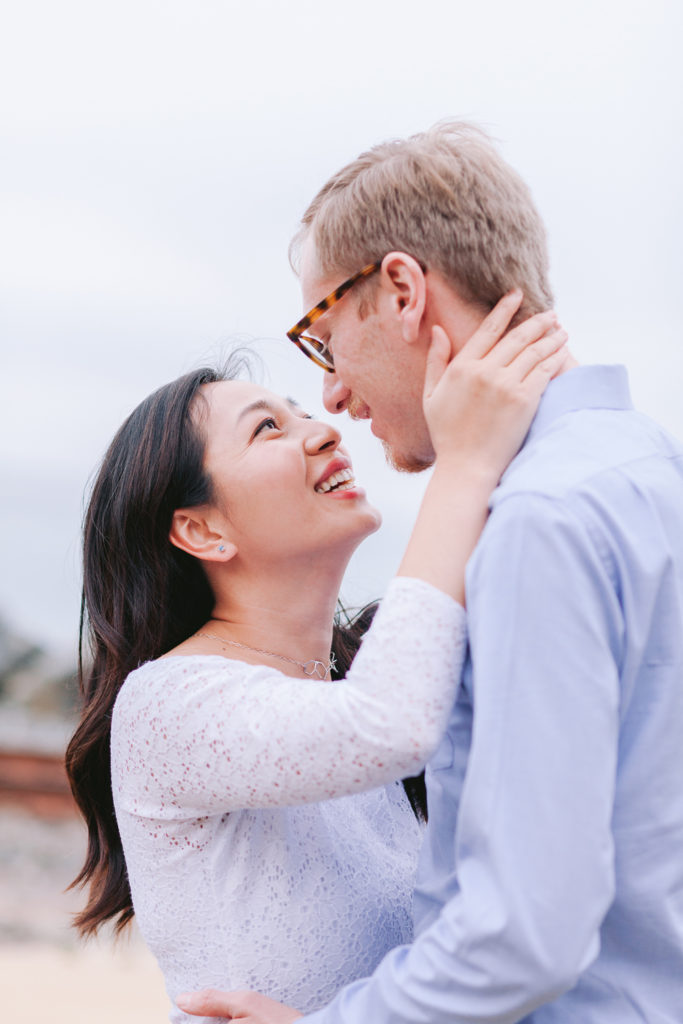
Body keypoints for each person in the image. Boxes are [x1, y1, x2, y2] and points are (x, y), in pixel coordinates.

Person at [180, 123, 683, 1023]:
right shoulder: (648, 471)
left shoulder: (538, 523)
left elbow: (520, 935)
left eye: (321, 336)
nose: (330, 395)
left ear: (403, 291)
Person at [65, 301, 566, 1022]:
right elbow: (389, 723)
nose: (323, 429)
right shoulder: (167, 705)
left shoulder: (346, 690)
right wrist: (463, 464)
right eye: (268, 427)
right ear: (200, 530)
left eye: (301, 411)